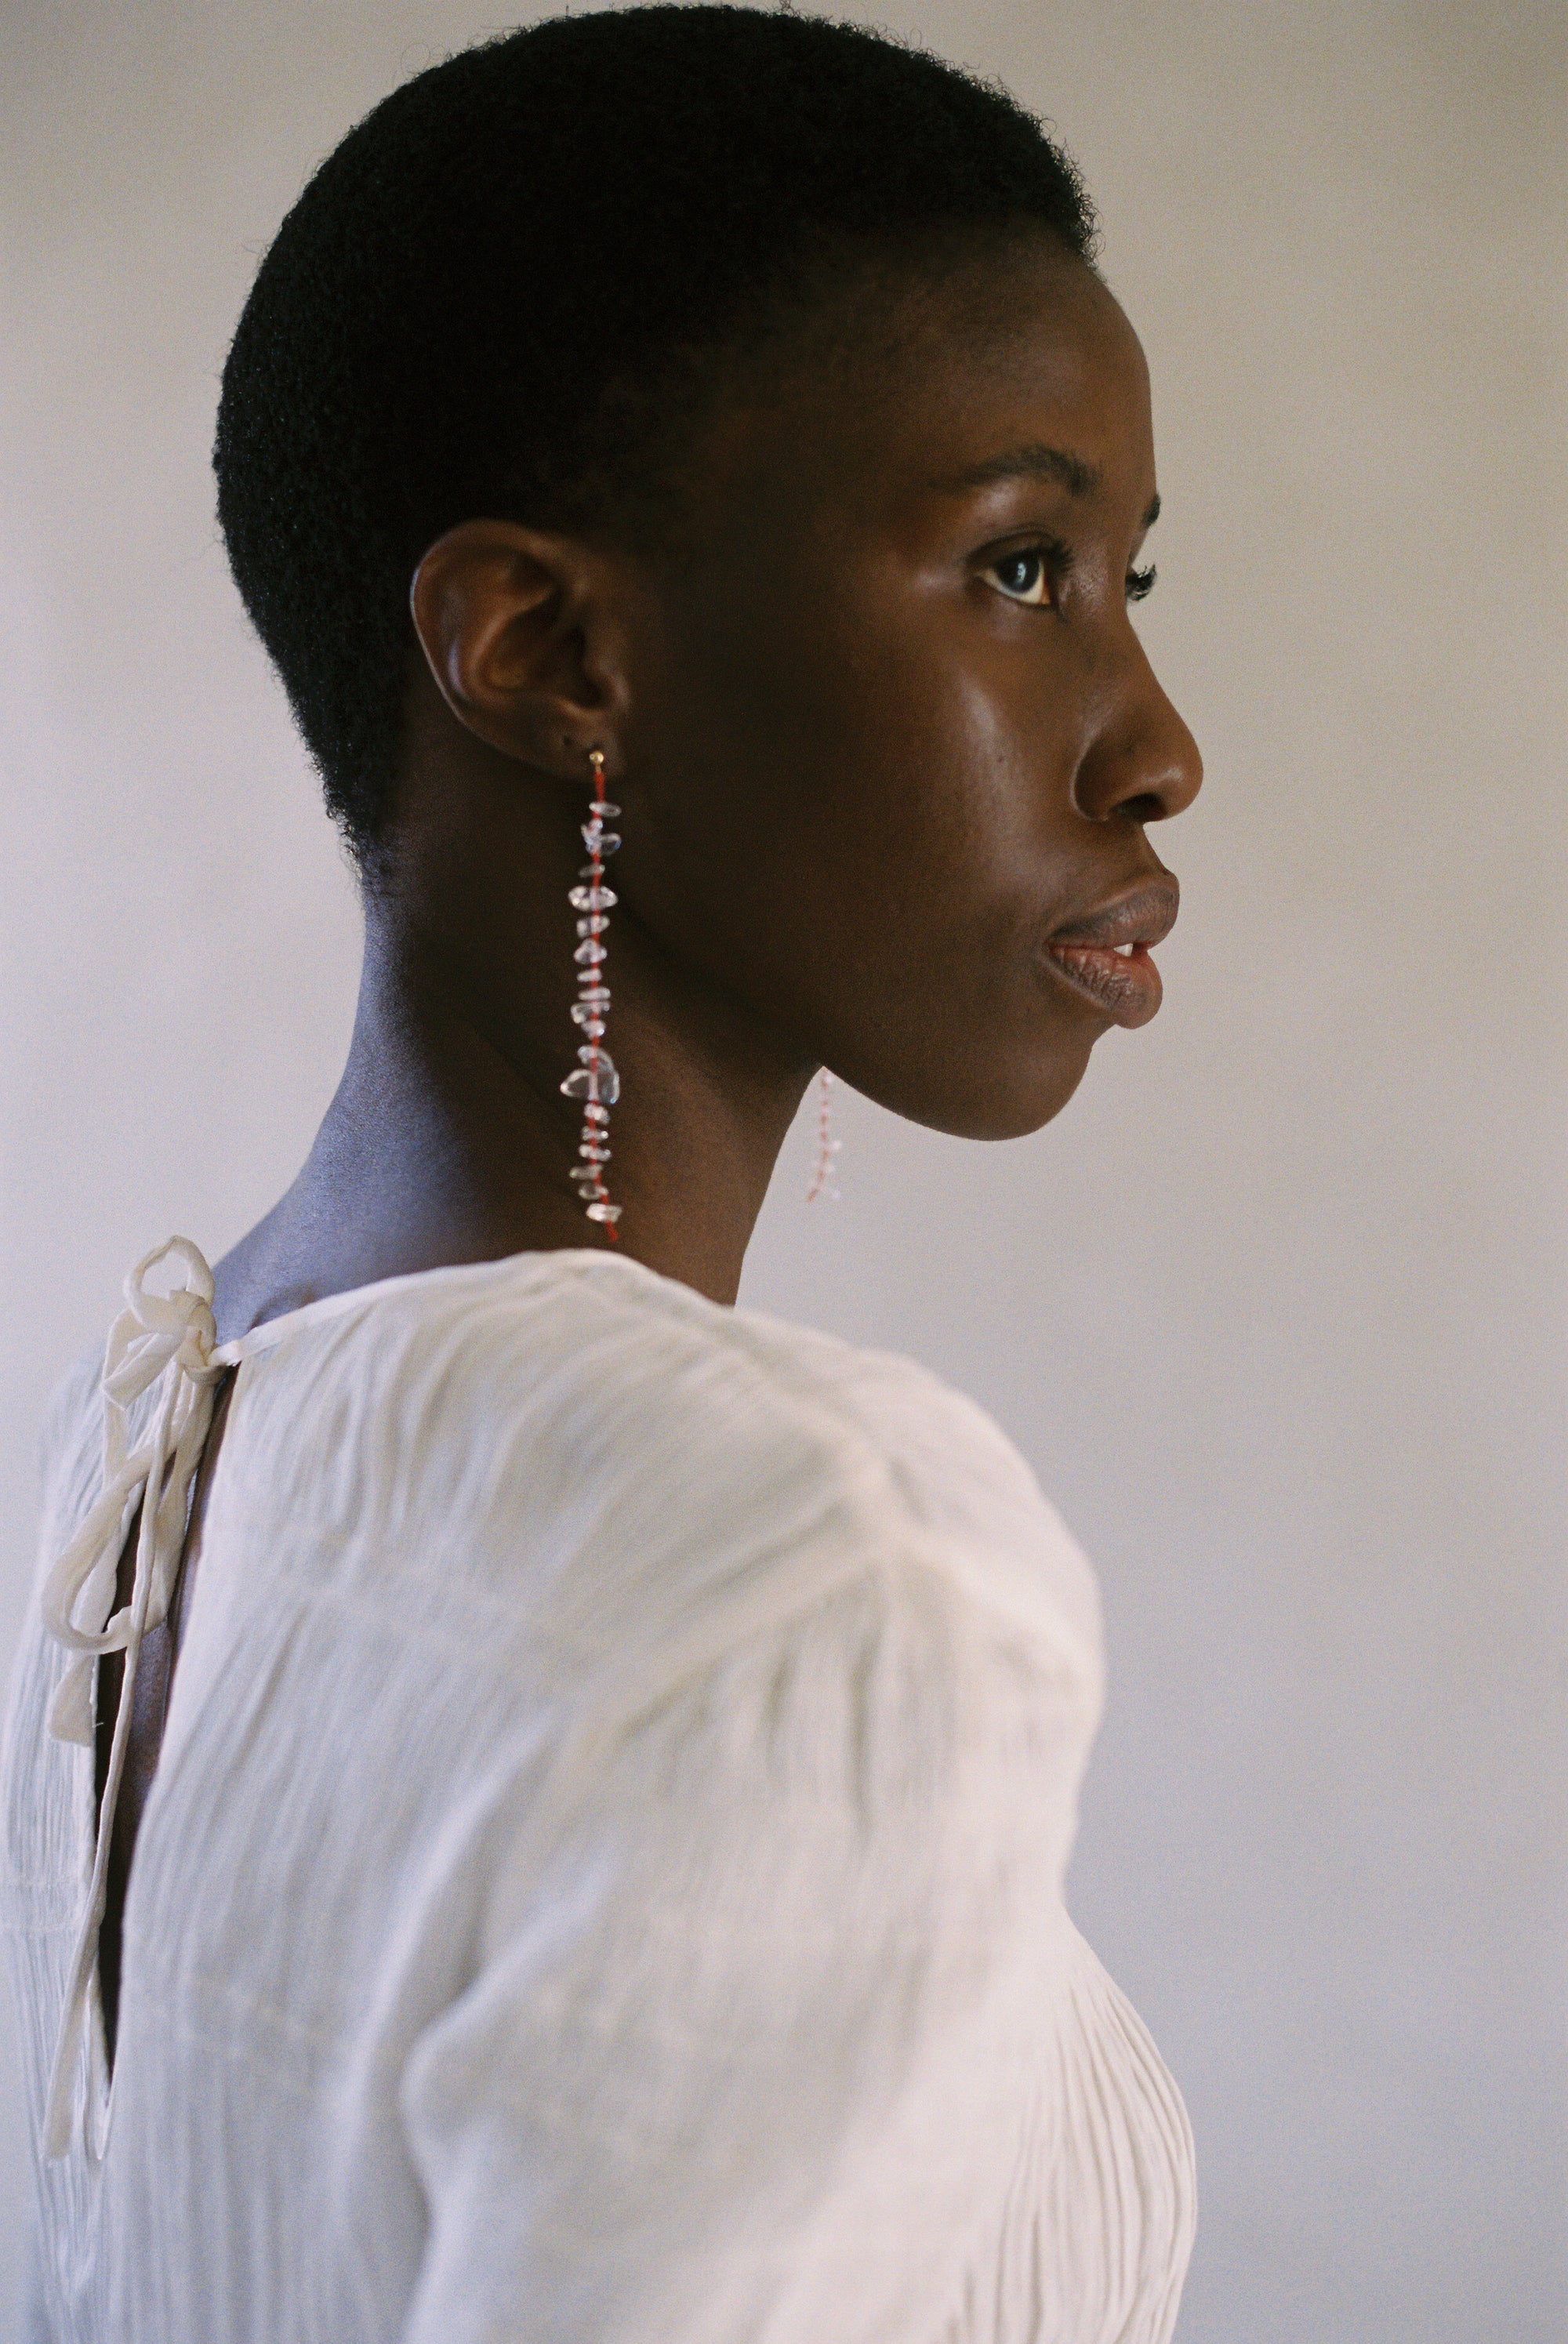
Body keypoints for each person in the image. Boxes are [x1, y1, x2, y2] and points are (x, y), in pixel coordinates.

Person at [3, 10, 1204, 2340]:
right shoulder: (817, 1565)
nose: (1157, 746)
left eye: (1140, 578)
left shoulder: (154, 1434)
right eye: (1025, 567)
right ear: (551, 652)